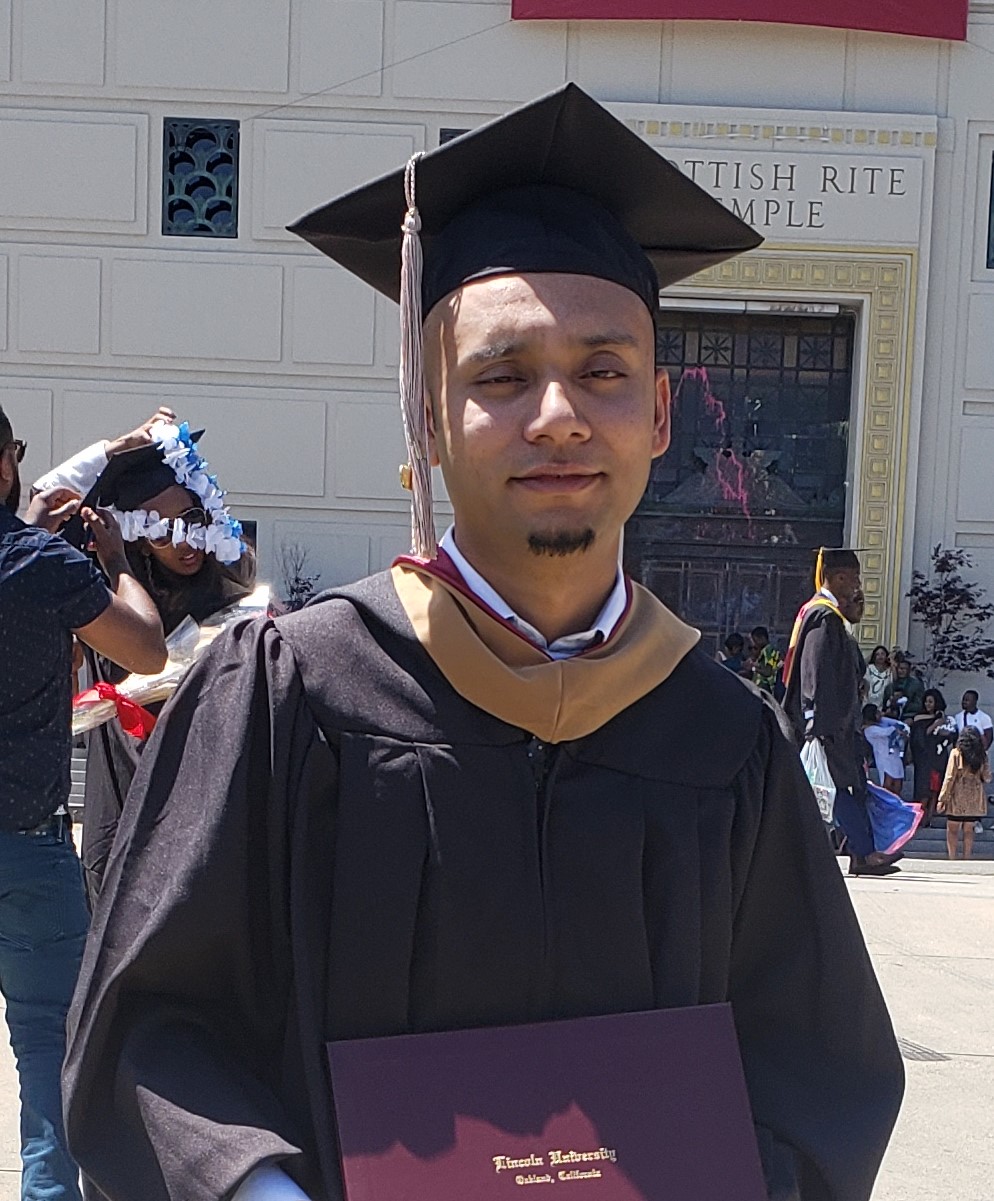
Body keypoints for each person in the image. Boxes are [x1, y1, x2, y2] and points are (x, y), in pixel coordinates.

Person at [64, 85, 902, 1201]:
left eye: (603, 371)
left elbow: (819, 1072)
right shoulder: (289, 695)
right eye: (500, 376)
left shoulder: (724, 742)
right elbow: (147, 1028)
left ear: (659, 415)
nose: (558, 413)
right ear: (425, 415)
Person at [0, 405, 166, 1201]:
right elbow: (147, 648)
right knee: (44, 1046)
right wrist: (116, 559)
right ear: (5, 465)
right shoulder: (42, 565)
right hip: (28, 847)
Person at [34, 409, 256, 903]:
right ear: (135, 538)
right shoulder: (111, 604)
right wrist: (115, 448)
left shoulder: (234, 608)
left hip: (204, 816)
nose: (182, 541)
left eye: (191, 520)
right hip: (122, 802)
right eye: (159, 530)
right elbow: (40, 505)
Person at [783, 548, 897, 876]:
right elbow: (814, 669)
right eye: (854, 578)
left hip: (840, 722)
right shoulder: (823, 616)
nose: (858, 585)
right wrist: (814, 720)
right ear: (839, 577)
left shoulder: (831, 616)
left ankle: (862, 853)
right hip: (827, 723)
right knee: (839, 786)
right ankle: (864, 853)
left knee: (851, 784)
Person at [938, 726, 991, 859]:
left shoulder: (956, 753)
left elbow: (949, 777)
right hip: (974, 796)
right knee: (969, 830)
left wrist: (942, 798)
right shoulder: (982, 755)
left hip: (958, 794)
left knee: (952, 829)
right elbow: (987, 778)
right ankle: (966, 858)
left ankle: (952, 858)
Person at [908, 688, 952, 826]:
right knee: (924, 790)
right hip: (924, 760)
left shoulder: (944, 719)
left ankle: (930, 816)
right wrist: (935, 725)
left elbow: (950, 735)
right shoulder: (919, 719)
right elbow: (920, 737)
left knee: (935, 789)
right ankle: (920, 818)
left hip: (938, 758)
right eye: (926, 701)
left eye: (931, 702)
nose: (928, 704)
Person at [861, 704, 910, 794]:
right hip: (884, 760)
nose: (880, 714)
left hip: (896, 757)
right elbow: (886, 732)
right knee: (887, 786)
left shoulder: (883, 722)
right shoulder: (869, 730)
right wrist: (898, 728)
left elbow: (899, 724)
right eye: (877, 713)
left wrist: (902, 727)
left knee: (898, 786)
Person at [882, 655, 924, 719]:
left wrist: (903, 705)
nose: (900, 671)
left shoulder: (916, 684)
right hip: (891, 716)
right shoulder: (889, 687)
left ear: (909, 670)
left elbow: (919, 705)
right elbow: (884, 706)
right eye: (899, 668)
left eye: (903, 669)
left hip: (910, 716)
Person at [749, 626, 781, 693]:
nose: (755, 643)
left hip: (765, 687)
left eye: (755, 640)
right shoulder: (766, 650)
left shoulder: (768, 650)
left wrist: (753, 669)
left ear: (762, 638)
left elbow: (768, 671)